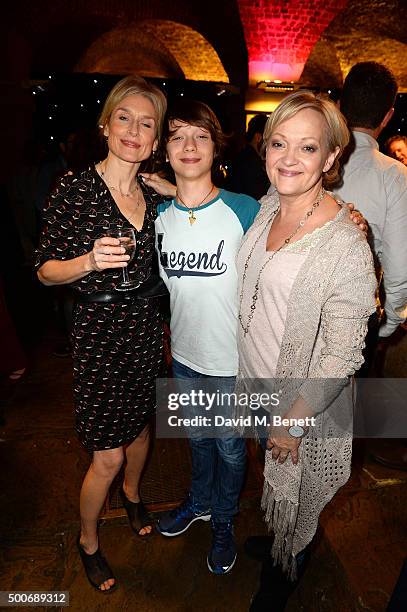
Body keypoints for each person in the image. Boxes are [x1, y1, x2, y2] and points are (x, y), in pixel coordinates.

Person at [236, 91, 377, 611]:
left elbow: (342, 355)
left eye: (307, 147)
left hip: (302, 407)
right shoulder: (270, 205)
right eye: (279, 144)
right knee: (273, 488)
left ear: (331, 158)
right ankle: (277, 539)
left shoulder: (345, 245)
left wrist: (294, 423)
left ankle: (281, 579)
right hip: (256, 386)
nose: (289, 159)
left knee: (297, 500)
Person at [35, 75, 167, 592]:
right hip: (99, 333)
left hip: (144, 330)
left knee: (140, 431)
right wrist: (87, 261)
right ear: (106, 125)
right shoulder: (75, 188)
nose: (134, 130)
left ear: (156, 141)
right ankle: (88, 540)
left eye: (147, 123)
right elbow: (44, 270)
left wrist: (175, 188)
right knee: (106, 453)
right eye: (124, 118)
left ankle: (133, 497)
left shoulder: (153, 197)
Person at [151, 99, 260, 575]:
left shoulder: (245, 209)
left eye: (200, 135)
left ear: (217, 146)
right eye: (177, 136)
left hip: (235, 361)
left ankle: (223, 518)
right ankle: (198, 502)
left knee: (231, 447)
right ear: (166, 151)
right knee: (197, 438)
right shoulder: (157, 216)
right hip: (186, 357)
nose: (189, 146)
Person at [337, 62, 407, 343]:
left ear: (339, 105)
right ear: (387, 116)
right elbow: (400, 263)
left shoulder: (304, 160)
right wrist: (390, 319)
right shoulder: (395, 176)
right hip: (354, 313)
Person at [227, 113, 270, 199]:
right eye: (267, 139)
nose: (269, 144)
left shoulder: (243, 156)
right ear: (258, 137)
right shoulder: (251, 162)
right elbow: (258, 196)